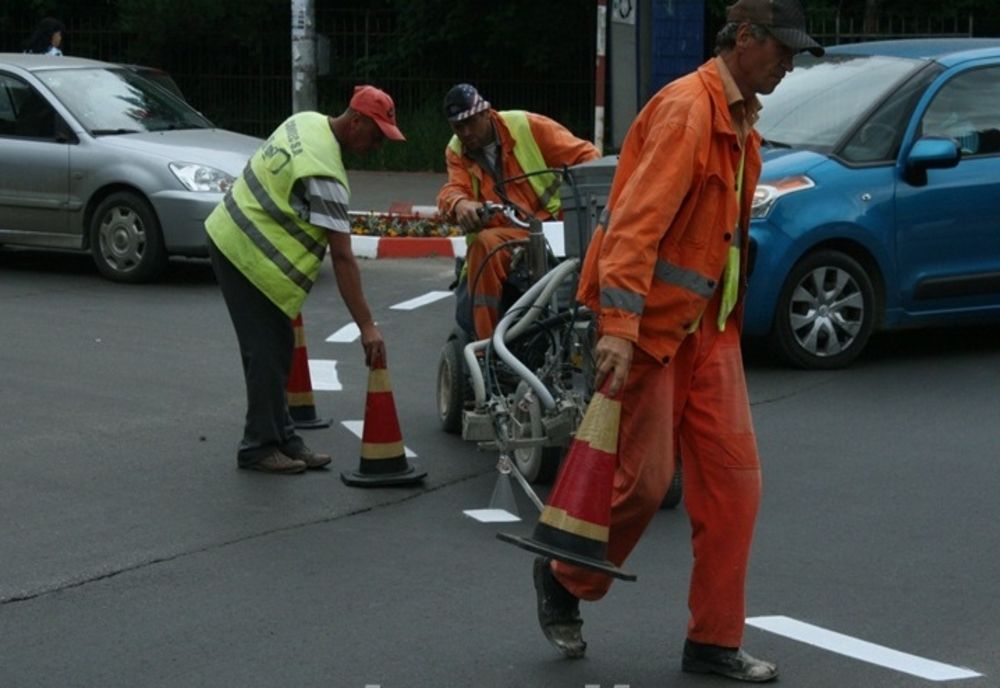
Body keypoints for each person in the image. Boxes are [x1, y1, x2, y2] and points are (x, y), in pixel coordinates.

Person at [530, 0, 823, 682]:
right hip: (654, 332)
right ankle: (565, 578)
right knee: (644, 485)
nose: (788, 63)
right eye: (781, 49)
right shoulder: (689, 111)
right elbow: (634, 226)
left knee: (734, 489)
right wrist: (620, 330)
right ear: (744, 39)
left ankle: (712, 641)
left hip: (709, 335)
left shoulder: (742, 121)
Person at [205, 85, 404, 474]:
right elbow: (344, 258)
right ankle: (259, 447)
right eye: (376, 135)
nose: (378, 145)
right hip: (244, 253)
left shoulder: (307, 122)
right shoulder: (325, 173)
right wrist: (367, 326)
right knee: (264, 353)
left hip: (237, 237)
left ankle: (285, 439)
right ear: (356, 121)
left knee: (277, 349)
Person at [436, 83, 600, 341]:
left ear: (486, 113)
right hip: (508, 233)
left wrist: (576, 200)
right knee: (484, 245)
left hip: (555, 226)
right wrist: (460, 204)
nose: (465, 132)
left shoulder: (526, 127)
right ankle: (486, 348)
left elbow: (588, 157)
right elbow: (453, 189)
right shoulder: (457, 150)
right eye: (458, 127)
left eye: (470, 122)